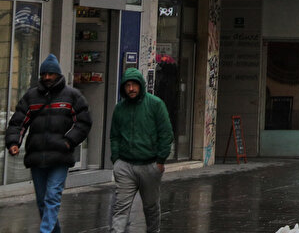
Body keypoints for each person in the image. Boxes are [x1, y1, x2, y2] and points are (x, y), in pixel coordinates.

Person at [4, 54, 93, 233]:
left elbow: (83, 122)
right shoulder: (31, 96)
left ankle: (44, 231)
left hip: (60, 155)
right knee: (42, 201)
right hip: (37, 156)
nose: (47, 77)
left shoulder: (72, 96)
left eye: (51, 74)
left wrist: (68, 141)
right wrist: (14, 142)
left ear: (58, 75)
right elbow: (18, 122)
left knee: (52, 196)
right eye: (44, 74)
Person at [109, 67, 173, 233]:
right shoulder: (119, 108)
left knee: (151, 207)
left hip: (150, 165)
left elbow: (166, 134)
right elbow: (114, 135)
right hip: (125, 165)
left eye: (134, 85)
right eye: (127, 85)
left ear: (141, 86)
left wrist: (160, 161)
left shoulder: (155, 104)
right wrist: (116, 160)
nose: (131, 89)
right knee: (120, 207)